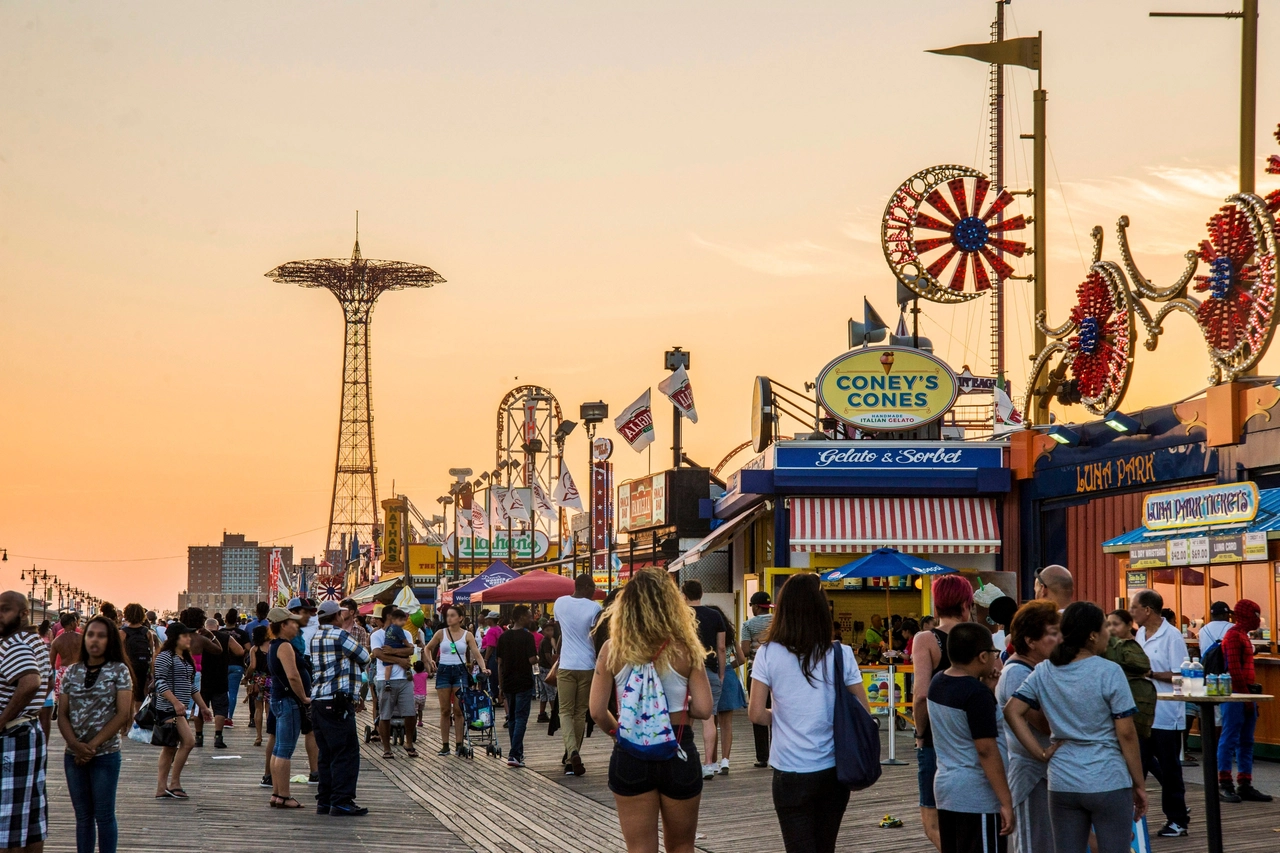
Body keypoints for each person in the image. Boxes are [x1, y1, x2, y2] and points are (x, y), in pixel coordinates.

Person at [1005, 602, 1148, 853]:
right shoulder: (1110, 672)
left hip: (1062, 781)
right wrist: (1138, 783)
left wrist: (1040, 753)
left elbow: (1012, 711)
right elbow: (1126, 733)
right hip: (1108, 778)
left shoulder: (1044, 670)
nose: (1109, 633)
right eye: (1105, 627)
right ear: (1092, 635)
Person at [590, 568, 713, 853]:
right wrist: (679, 707)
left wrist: (618, 734)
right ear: (672, 604)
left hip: (631, 752)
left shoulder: (612, 649)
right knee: (682, 845)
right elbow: (706, 709)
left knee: (640, 848)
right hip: (678, 749)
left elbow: (597, 711)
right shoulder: (686, 649)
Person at [748, 573, 870, 853]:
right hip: (833, 769)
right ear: (821, 608)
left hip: (789, 771)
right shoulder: (841, 653)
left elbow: (755, 714)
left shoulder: (768, 653)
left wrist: (782, 717)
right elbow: (863, 710)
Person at [928, 623, 1013, 853]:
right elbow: (985, 749)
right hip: (977, 797)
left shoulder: (938, 682)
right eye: (994, 653)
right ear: (983, 656)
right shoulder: (976, 695)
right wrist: (1005, 801)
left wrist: (987, 688)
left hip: (947, 790)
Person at [57, 616, 132, 853]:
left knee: (104, 814)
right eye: (90, 634)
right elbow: (63, 715)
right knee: (83, 817)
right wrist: (75, 745)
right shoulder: (71, 671)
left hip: (105, 754)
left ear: (110, 640)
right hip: (74, 754)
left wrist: (91, 747)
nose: (94, 640)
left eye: (101, 635)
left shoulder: (119, 671)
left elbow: (122, 714)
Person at [911, 573, 974, 851]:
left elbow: (921, 695)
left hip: (938, 737)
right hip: (974, 736)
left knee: (933, 822)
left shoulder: (927, 639)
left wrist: (920, 733)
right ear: (965, 603)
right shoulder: (977, 637)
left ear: (937, 604)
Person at [992, 601, 1060, 853]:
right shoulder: (1017, 673)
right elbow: (1044, 724)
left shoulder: (1037, 668)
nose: (1059, 639)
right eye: (1052, 633)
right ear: (1031, 641)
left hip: (1046, 774)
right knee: (1035, 845)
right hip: (1031, 776)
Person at [1130, 588, 1191, 837]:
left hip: (1167, 714)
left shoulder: (1172, 636)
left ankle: (1177, 820)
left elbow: (1183, 673)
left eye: (1135, 608)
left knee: (1169, 769)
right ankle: (1132, 821)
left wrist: (1152, 674)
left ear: (1147, 610)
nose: (1132, 612)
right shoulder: (1141, 634)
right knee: (1137, 765)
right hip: (1143, 714)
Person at [308, 599, 372, 817]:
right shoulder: (340, 635)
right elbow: (365, 656)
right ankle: (342, 800)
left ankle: (324, 800)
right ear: (337, 616)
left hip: (318, 700)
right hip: (338, 701)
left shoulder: (315, 637)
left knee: (326, 753)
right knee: (346, 752)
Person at [0, 592, 50, 853]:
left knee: (7, 819)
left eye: (5, 610)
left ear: (22, 613)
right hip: (28, 731)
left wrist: (2, 719)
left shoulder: (14, 643)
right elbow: (46, 682)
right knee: (30, 815)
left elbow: (31, 682)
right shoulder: (35, 640)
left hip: (12, 736)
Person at [1217, 599, 1272, 803]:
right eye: (1255, 614)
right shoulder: (1233, 636)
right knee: (1230, 738)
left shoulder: (1242, 636)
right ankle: (1225, 783)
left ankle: (1244, 784)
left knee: (1246, 740)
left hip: (1246, 695)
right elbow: (1233, 669)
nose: (1258, 619)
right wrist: (1246, 697)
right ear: (1246, 615)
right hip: (1235, 695)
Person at [152, 623, 212, 801]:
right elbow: (159, 682)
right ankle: (173, 783)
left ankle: (164, 788)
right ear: (175, 638)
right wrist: (175, 702)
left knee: (171, 747)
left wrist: (202, 706)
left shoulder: (185, 658)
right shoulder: (165, 656)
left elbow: (190, 685)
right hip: (168, 708)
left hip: (180, 708)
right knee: (186, 742)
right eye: (185, 636)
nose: (189, 639)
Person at [423, 604, 489, 756]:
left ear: (460, 618)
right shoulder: (441, 633)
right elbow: (427, 648)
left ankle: (459, 743)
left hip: (460, 671)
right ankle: (445, 744)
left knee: (459, 710)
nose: (449, 618)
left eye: (453, 615)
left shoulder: (467, 635)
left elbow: (476, 653)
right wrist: (431, 660)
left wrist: (483, 667)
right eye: (448, 616)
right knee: (445, 710)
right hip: (444, 670)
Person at [554, 574, 602, 777]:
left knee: (564, 711)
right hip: (587, 665)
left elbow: (561, 633)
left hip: (566, 665)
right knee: (580, 712)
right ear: (584, 586)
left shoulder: (559, 603)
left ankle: (571, 753)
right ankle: (572, 757)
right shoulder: (595, 608)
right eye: (592, 586)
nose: (594, 590)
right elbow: (596, 636)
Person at [681, 580, 726, 781]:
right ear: (701, 593)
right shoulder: (715, 616)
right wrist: (721, 673)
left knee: (685, 717)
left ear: (684, 595)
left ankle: (686, 760)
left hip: (685, 671)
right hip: (710, 670)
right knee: (710, 717)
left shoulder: (680, 616)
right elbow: (721, 647)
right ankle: (709, 763)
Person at [267, 607, 309, 808]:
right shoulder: (284, 647)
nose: (296, 626)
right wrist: (304, 697)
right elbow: (293, 675)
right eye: (292, 622)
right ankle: (284, 795)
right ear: (282, 625)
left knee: (278, 748)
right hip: (288, 700)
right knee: (285, 749)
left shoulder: (274, 645)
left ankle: (277, 793)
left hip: (279, 699)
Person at [370, 607, 417, 758]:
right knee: (385, 714)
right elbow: (378, 654)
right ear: (389, 617)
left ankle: (409, 742)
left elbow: (410, 651)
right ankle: (386, 748)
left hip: (404, 678)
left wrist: (392, 652)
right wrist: (400, 660)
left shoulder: (406, 633)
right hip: (385, 679)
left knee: (410, 713)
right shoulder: (377, 635)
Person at [496, 604, 538, 768]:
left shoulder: (503, 637)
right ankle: (514, 753)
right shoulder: (527, 637)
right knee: (521, 717)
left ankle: (517, 754)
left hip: (508, 681)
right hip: (524, 681)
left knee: (512, 717)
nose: (530, 618)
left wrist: (500, 686)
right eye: (528, 615)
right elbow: (531, 660)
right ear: (521, 617)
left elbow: (499, 663)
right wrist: (538, 658)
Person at [707, 604, 747, 776]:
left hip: (712, 674)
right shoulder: (730, 637)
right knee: (727, 724)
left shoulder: (708, 637)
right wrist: (730, 666)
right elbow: (742, 658)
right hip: (729, 676)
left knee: (712, 722)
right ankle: (726, 761)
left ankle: (712, 761)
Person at [1104, 609, 1156, 741]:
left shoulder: (1127, 647)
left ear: (1129, 625)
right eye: (1108, 625)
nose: (1111, 629)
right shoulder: (1108, 647)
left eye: (1116, 624)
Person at [285, 597, 319, 782]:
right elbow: (292, 672)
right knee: (284, 739)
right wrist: (303, 696)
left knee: (310, 730)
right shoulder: (288, 638)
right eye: (305, 612)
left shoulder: (298, 633)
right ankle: (274, 780)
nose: (308, 616)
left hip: (300, 689)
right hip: (291, 693)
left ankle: (315, 772)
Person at [197, 617, 242, 749]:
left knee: (200, 707)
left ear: (206, 626)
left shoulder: (198, 638)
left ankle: (199, 737)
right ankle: (218, 737)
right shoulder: (225, 637)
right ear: (217, 627)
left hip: (202, 678)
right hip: (220, 677)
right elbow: (239, 651)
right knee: (220, 708)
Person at [742, 590, 773, 769]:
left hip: (756, 673)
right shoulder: (778, 622)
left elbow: (745, 651)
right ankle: (778, 753)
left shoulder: (748, 625)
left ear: (755, 606)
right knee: (777, 712)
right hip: (777, 674)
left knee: (758, 712)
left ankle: (762, 756)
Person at [120, 604, 156, 718]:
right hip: (143, 666)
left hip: (128, 665)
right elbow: (151, 652)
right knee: (140, 694)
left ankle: (126, 725)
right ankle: (139, 721)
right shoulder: (147, 632)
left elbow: (118, 651)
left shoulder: (123, 632)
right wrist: (151, 671)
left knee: (127, 693)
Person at [222, 608, 250, 728]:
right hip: (237, 665)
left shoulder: (220, 632)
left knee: (223, 692)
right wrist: (242, 653)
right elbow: (249, 648)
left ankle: (221, 716)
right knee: (233, 692)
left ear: (225, 619)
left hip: (222, 665)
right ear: (237, 621)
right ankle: (229, 718)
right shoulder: (242, 634)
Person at [246, 626, 270, 747]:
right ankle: (272, 735)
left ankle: (258, 736)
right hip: (271, 680)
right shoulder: (273, 647)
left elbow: (253, 666)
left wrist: (247, 676)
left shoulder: (254, 649)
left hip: (258, 680)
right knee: (269, 708)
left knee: (258, 708)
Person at [51, 612, 83, 702]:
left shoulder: (57, 641)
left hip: (63, 672)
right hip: (79, 670)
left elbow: (51, 663)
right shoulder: (81, 638)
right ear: (73, 623)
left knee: (62, 701)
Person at [536, 621, 559, 723]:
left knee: (544, 692)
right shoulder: (546, 642)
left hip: (541, 668)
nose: (550, 632)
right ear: (543, 631)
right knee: (551, 692)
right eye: (547, 630)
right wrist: (553, 666)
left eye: (552, 630)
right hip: (546, 668)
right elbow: (548, 656)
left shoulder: (547, 641)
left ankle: (542, 713)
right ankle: (555, 713)